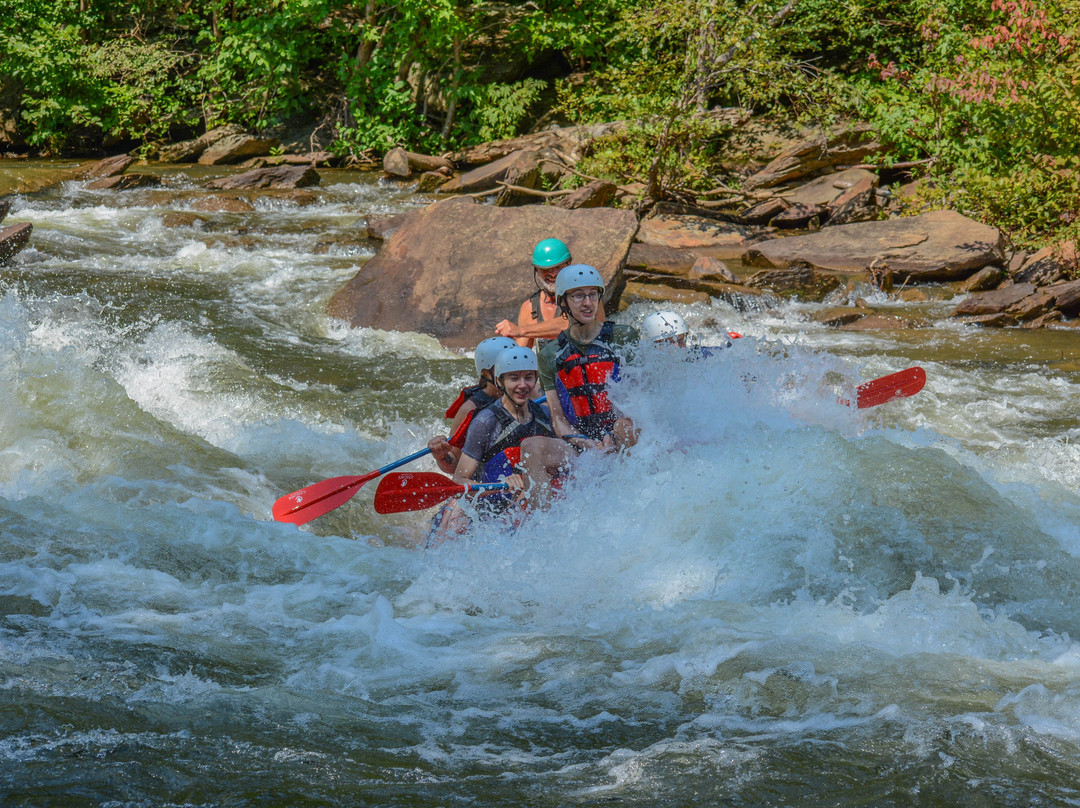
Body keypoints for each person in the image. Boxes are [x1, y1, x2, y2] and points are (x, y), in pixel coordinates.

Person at [426, 346, 574, 544]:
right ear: (499, 381)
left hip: (524, 501)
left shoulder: (544, 415)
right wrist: (501, 486)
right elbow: (460, 479)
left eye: (528, 377)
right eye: (514, 378)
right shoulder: (485, 421)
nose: (523, 385)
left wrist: (526, 478)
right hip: (490, 503)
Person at [538, 265, 640, 453]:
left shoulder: (623, 336)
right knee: (532, 446)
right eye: (578, 295)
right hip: (584, 442)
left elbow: (640, 401)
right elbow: (558, 421)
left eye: (593, 294)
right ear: (563, 301)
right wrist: (589, 444)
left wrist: (614, 436)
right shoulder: (550, 354)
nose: (588, 303)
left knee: (623, 426)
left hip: (625, 431)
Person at [428, 335, 518, 474]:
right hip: (491, 476)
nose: (515, 374)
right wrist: (441, 456)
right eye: (505, 367)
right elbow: (455, 465)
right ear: (487, 374)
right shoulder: (471, 408)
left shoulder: (528, 390)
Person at [494, 238, 572, 350]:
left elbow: (569, 324)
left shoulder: (585, 294)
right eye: (545, 269)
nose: (553, 274)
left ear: (569, 264)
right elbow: (521, 354)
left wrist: (520, 330)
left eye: (558, 267)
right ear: (537, 271)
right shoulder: (530, 308)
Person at [640, 310, 742, 354]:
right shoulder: (639, 373)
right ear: (651, 345)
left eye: (680, 341)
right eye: (669, 343)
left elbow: (725, 354)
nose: (677, 347)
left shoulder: (696, 356)